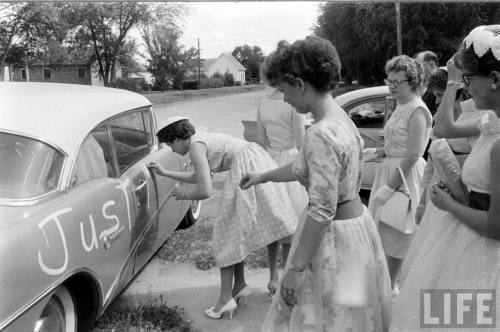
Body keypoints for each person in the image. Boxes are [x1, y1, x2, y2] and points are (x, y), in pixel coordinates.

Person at [240, 35, 391, 331]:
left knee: (327, 316)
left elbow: (322, 210)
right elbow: (303, 168)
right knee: (352, 314)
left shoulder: (321, 133)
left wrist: (295, 269)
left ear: (300, 84)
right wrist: (262, 176)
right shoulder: (341, 118)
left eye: (284, 90)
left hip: (334, 240)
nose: (283, 98)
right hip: (356, 231)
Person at [390, 25, 500, 331]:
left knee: (458, 322)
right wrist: (452, 81)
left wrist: (448, 204)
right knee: (441, 318)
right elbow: (444, 129)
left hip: (483, 260)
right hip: (467, 245)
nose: (467, 86)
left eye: (469, 79)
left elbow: (497, 226)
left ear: (494, 80)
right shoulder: (491, 122)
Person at [148, 116, 298, 320]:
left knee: (225, 235)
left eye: (169, 145)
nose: (172, 151)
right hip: (255, 160)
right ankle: (240, 286)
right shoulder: (199, 139)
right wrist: (166, 172)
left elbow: (205, 190)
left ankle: (225, 299)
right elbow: (198, 176)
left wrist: (184, 195)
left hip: (247, 166)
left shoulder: (195, 147)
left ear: (176, 138)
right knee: (234, 231)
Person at [367, 55, 432, 295]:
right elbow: (398, 144)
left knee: (397, 236)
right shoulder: (401, 105)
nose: (392, 86)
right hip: (390, 171)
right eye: (389, 80)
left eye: (398, 82)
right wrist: (377, 151)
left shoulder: (417, 110)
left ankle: (390, 291)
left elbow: (414, 153)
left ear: (412, 81)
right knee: (384, 234)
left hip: (404, 177)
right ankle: (387, 288)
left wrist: (390, 187)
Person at [256, 43, 309, 295]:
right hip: (290, 160)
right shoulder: (293, 103)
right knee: (291, 225)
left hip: (269, 161)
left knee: (272, 225)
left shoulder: (262, 103)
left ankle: (272, 276)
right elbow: (300, 142)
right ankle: (287, 274)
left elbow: (260, 139)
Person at [416, 50, 440, 115]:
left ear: (432, 64)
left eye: (419, 64)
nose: (415, 68)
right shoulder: (421, 85)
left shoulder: (440, 86)